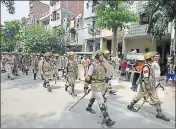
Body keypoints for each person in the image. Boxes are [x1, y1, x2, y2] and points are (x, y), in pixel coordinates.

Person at [127, 52, 170, 122]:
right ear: (149, 58)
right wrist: (149, 89)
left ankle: (160, 114)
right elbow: (146, 79)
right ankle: (130, 105)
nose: (154, 58)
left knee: (157, 100)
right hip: (145, 86)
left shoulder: (151, 65)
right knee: (138, 97)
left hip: (151, 86)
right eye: (152, 57)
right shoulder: (146, 67)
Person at [84, 50, 116, 127]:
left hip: (101, 85)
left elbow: (106, 72)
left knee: (94, 96)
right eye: (101, 56)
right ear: (97, 57)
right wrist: (85, 87)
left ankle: (88, 107)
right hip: (95, 85)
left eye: (102, 55)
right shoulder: (92, 65)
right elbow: (88, 77)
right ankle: (107, 119)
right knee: (101, 101)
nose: (102, 57)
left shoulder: (102, 64)